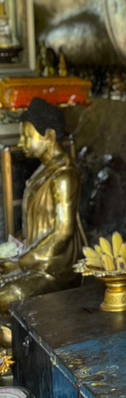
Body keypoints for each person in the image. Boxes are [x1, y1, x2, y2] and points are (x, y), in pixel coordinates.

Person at [0, 97, 86, 312]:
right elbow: (36, 228)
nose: (21, 143)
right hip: (34, 262)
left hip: (54, 269)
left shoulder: (64, 175)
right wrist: (13, 249)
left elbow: (62, 233)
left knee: (5, 295)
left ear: (48, 136)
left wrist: (21, 263)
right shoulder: (42, 172)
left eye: (27, 136)